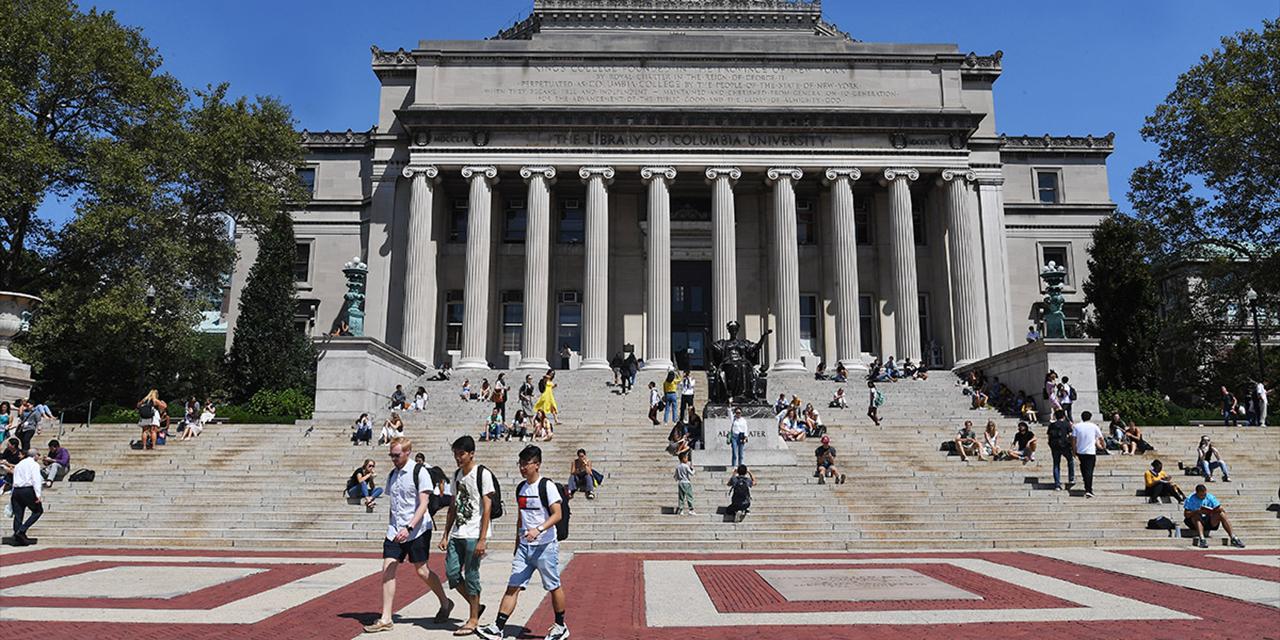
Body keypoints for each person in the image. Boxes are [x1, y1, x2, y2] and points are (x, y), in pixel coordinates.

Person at [476, 445, 570, 640]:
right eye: (520, 463)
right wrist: (517, 542)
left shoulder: (547, 486)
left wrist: (539, 529)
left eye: (526, 463)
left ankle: (560, 626)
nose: (522, 468)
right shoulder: (521, 487)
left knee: (553, 585)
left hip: (545, 546)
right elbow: (521, 517)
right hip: (525, 548)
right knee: (513, 585)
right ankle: (498, 626)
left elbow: (557, 514)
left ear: (537, 465)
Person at [362, 437, 452, 634]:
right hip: (395, 530)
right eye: (391, 455)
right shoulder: (392, 475)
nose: (393, 459)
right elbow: (394, 505)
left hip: (417, 529)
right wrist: (374, 506)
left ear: (407, 452)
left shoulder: (419, 472)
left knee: (422, 571)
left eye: (396, 455)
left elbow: (424, 504)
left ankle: (445, 603)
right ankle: (386, 618)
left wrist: (409, 528)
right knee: (387, 568)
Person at [438, 435, 496, 636]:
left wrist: (482, 538)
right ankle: (476, 604)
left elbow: (487, 508)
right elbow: (452, 506)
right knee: (452, 574)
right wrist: (445, 534)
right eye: (455, 454)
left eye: (461, 453)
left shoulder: (482, 474)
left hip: (474, 533)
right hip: (457, 532)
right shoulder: (456, 475)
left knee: (472, 575)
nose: (458, 457)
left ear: (471, 453)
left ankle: (473, 619)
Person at [1183, 484, 1245, 549]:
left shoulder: (1210, 497)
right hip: (1195, 521)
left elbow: (1221, 508)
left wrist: (1217, 510)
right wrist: (1197, 511)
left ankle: (1233, 537)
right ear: (1196, 493)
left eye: (1204, 494)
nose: (1203, 496)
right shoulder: (1190, 499)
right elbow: (1186, 514)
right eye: (1201, 495)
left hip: (1209, 519)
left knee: (1221, 514)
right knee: (1196, 515)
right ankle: (1202, 539)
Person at [9, 449, 43, 546]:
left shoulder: (19, 464)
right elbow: (36, 479)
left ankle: (17, 536)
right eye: (38, 455)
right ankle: (22, 530)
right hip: (27, 490)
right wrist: (38, 494)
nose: (38, 457)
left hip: (16, 490)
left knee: (18, 514)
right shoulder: (34, 465)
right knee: (38, 511)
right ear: (34, 455)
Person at [1070, 411, 1105, 498]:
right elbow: (1101, 438)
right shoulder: (1094, 426)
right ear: (1090, 417)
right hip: (1090, 451)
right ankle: (1088, 489)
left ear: (1082, 417)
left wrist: (1074, 450)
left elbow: (1073, 440)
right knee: (1089, 470)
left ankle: (1087, 484)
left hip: (1081, 451)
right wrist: (1103, 446)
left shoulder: (1077, 426)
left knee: (1084, 468)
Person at [1045, 409, 1075, 490]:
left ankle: (1057, 484)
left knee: (1056, 464)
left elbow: (1049, 436)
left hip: (1055, 446)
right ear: (1064, 416)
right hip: (1065, 446)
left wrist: (1050, 445)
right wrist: (1073, 447)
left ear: (1055, 416)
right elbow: (1070, 435)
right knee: (1070, 461)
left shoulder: (1052, 425)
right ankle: (1071, 478)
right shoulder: (1067, 424)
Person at [673, 450, 697, 516]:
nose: (687, 459)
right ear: (683, 459)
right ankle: (691, 510)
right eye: (686, 458)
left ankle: (681, 510)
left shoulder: (678, 467)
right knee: (689, 496)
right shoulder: (686, 466)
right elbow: (691, 473)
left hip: (680, 483)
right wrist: (693, 469)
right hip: (686, 482)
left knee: (681, 497)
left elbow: (675, 476)